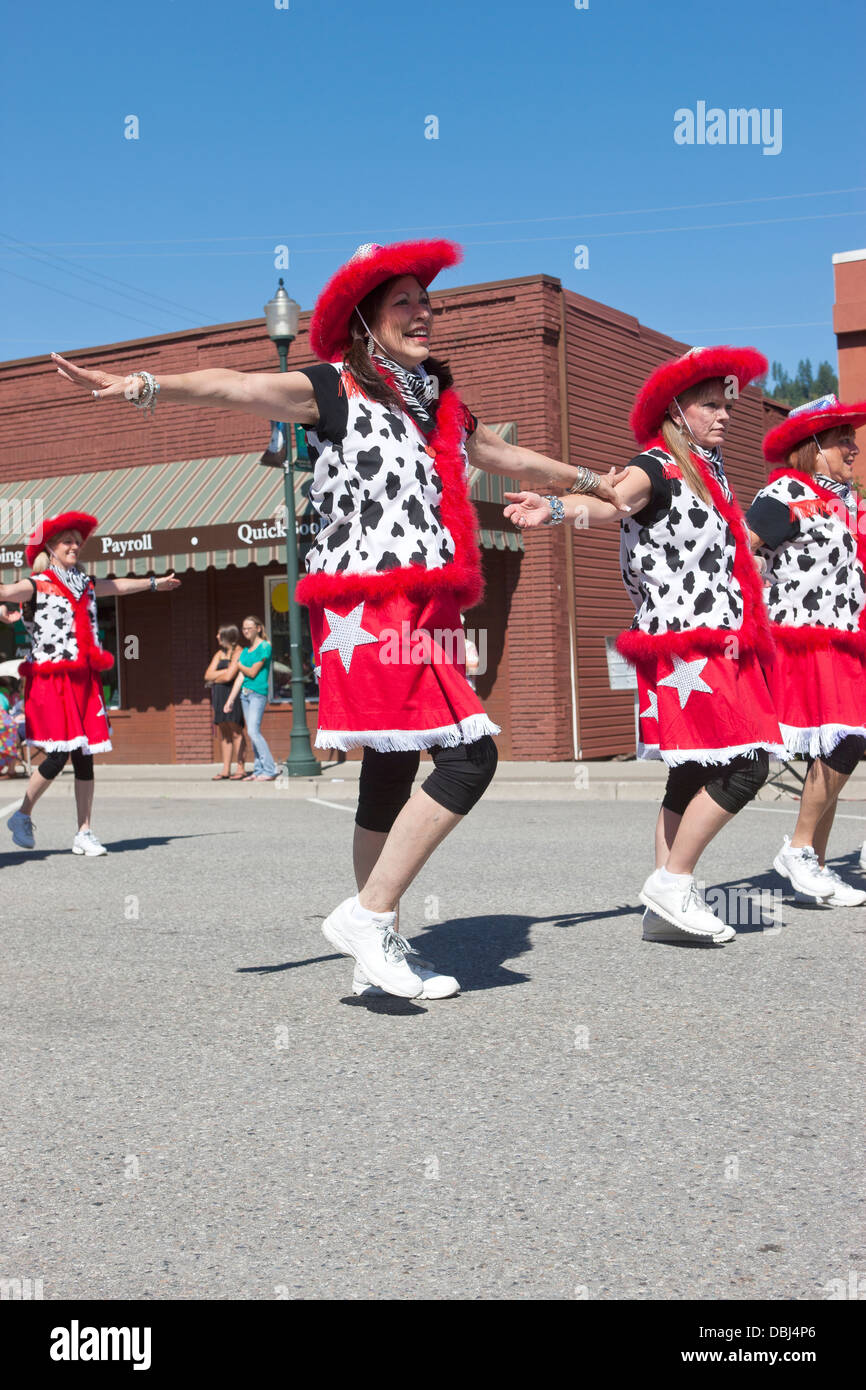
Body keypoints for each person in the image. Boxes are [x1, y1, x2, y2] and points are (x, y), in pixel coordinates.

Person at [49, 237, 626, 996]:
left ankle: (372, 942)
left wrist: (595, 481)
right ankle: (370, 916)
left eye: (427, 301)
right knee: (469, 756)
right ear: (365, 318)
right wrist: (146, 384)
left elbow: (503, 457)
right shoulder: (331, 389)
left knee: (389, 768)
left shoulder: (438, 404)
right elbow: (234, 387)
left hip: (425, 602)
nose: (423, 314)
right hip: (367, 605)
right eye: (404, 303)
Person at [506, 345, 786, 945]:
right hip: (686, 644)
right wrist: (556, 506)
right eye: (710, 405)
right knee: (748, 764)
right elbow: (615, 502)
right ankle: (674, 880)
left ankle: (667, 900)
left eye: (727, 404)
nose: (724, 415)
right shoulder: (656, 465)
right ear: (677, 409)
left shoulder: (711, 473)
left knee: (691, 772)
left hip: (721, 639)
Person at [0, 512, 180, 854]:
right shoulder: (37, 584)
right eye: (67, 541)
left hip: (85, 678)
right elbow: (7, 591)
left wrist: (155, 583)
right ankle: (22, 814)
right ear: (51, 548)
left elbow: (120, 586)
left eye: (76, 542)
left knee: (85, 756)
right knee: (57, 754)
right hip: (53, 680)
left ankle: (84, 831)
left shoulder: (85, 584)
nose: (74, 546)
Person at [746, 395, 866, 907]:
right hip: (809, 637)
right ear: (811, 448)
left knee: (836, 747)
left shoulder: (844, 499)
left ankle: (813, 864)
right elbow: (742, 546)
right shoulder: (787, 492)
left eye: (852, 438)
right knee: (845, 743)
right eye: (842, 439)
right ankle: (798, 850)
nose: (853, 447)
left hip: (847, 635)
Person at [224, 616, 277, 781]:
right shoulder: (246, 652)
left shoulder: (265, 647)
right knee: (252, 732)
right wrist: (230, 700)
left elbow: (253, 672)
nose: (246, 631)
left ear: (258, 628)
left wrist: (237, 664)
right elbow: (240, 677)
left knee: (254, 731)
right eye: (244, 628)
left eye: (249, 628)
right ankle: (259, 770)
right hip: (244, 695)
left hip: (258, 694)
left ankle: (269, 769)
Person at [204, 624, 247, 780]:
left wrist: (218, 676)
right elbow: (207, 675)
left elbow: (230, 677)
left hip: (233, 695)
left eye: (219, 634)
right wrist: (224, 672)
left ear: (227, 636)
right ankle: (225, 769)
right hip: (219, 695)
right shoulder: (219, 654)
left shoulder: (239, 652)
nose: (216, 637)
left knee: (236, 730)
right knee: (224, 732)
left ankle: (240, 768)